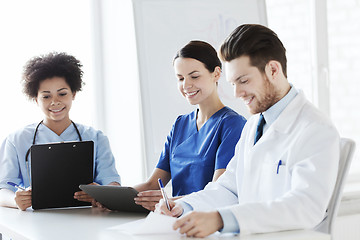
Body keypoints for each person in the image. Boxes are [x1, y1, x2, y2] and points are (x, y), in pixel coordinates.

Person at [156, 24, 340, 237]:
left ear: (273, 70)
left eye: (243, 81)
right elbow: (229, 188)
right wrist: (185, 206)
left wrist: (222, 219)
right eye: (233, 83)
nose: (237, 93)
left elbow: (305, 207)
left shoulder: (316, 129)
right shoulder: (254, 125)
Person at [133, 41, 247, 211]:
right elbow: (152, 184)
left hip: (207, 221)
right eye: (180, 78)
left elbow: (219, 192)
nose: (186, 85)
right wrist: (110, 196)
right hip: (174, 217)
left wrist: (173, 202)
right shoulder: (180, 124)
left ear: (216, 74)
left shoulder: (233, 125)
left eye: (194, 76)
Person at [0, 52, 121, 211]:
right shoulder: (16, 139)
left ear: (74, 94)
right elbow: (3, 189)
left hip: (86, 219)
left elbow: (112, 183)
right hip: (34, 222)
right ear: (36, 99)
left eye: (62, 94)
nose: (55, 102)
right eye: (46, 96)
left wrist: (101, 194)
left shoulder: (96, 138)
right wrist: (16, 201)